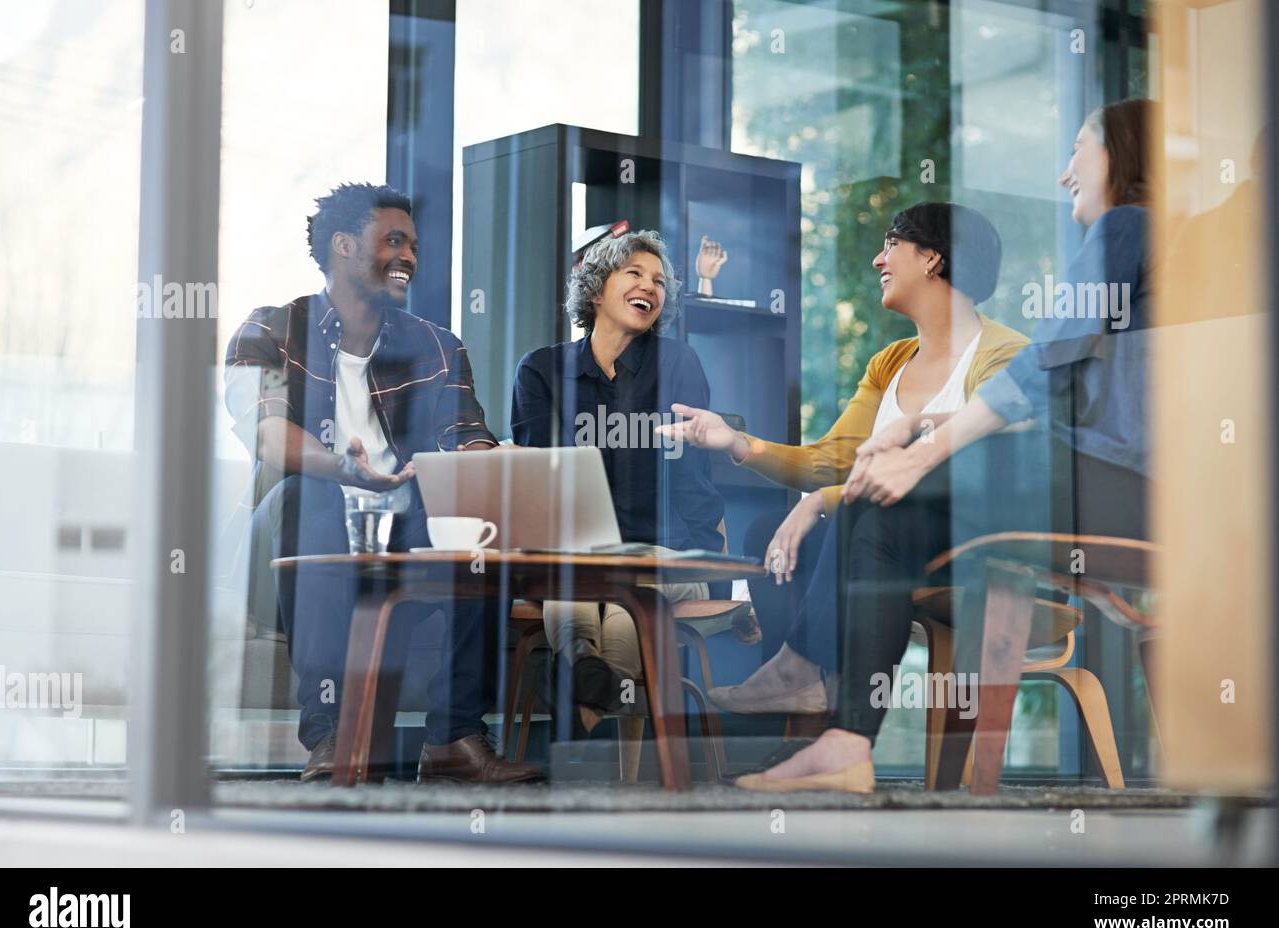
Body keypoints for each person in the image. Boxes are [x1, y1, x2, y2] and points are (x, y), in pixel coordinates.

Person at [711, 98, 1156, 793]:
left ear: (1122, 158)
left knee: (883, 492)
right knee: (874, 500)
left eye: (1080, 151)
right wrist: (915, 435)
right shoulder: (1160, 244)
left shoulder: (1128, 225)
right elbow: (1071, 397)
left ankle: (836, 718)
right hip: (1116, 482)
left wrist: (922, 448)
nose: (1066, 172)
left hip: (1116, 486)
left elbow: (1046, 367)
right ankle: (844, 736)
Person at [225, 182, 541, 785]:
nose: (409, 257)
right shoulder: (269, 331)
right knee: (312, 493)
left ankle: (454, 737)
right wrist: (345, 469)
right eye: (393, 240)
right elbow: (269, 436)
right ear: (343, 245)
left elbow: (464, 433)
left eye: (413, 244)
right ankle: (332, 737)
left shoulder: (437, 346)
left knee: (479, 517)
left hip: (401, 529)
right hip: (294, 534)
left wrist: (494, 460)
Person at [659, 203, 1027, 720]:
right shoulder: (891, 362)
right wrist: (735, 443)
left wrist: (821, 503)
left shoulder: (1003, 352)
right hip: (883, 534)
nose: (878, 260)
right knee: (769, 531)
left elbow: (966, 458)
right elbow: (831, 460)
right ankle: (798, 696)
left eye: (892, 244)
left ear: (932, 258)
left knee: (841, 519)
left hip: (965, 539)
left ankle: (803, 679)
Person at [511, 229, 724, 738]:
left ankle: (579, 684)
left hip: (662, 552)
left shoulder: (678, 364)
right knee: (577, 582)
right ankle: (593, 687)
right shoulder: (541, 371)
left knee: (628, 605)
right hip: (570, 551)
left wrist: (712, 564)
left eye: (659, 280)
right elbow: (539, 480)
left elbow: (694, 476)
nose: (651, 286)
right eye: (634, 273)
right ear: (595, 289)